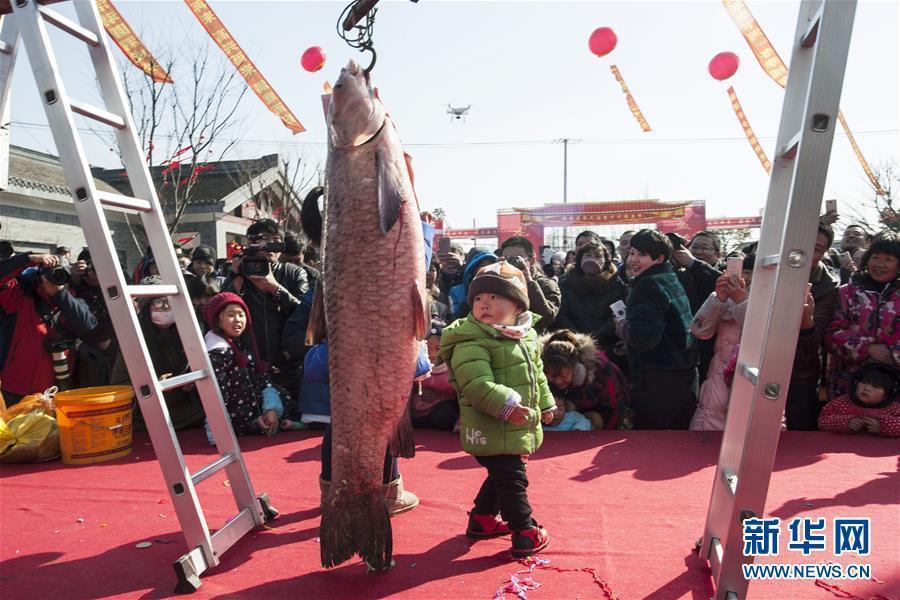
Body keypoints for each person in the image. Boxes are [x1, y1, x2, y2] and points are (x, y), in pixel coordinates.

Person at [440, 261, 555, 556]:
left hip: (513, 425)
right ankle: (524, 530)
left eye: (494, 298)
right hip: (490, 424)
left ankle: (481, 519)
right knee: (512, 478)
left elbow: (536, 374)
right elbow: (476, 383)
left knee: (501, 474)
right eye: (478, 299)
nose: (484, 304)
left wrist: (545, 403)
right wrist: (508, 404)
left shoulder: (523, 335)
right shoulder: (471, 339)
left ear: (517, 306)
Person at [224, 219, 310, 415]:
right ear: (252, 243)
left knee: (292, 417)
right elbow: (219, 312)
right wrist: (235, 278)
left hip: (288, 364)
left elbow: (304, 313)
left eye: (276, 240)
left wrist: (275, 288)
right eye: (265, 240)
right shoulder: (239, 272)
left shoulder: (294, 272)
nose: (271, 246)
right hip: (249, 363)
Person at [615, 229, 698, 429]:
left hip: (659, 378)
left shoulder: (647, 285)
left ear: (659, 258)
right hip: (683, 372)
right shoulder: (668, 276)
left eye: (641, 255)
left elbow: (644, 338)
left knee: (651, 443)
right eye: (632, 252)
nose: (633, 259)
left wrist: (621, 326)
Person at [0, 252, 97, 405]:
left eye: (61, 276)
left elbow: (86, 324)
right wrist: (29, 259)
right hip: (14, 390)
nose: (56, 280)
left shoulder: (72, 302)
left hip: (53, 393)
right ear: (39, 278)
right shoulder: (20, 297)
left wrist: (58, 293)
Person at [110, 276, 206, 431]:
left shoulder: (190, 332)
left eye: (169, 302)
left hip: (192, 413)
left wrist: (192, 381)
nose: (165, 307)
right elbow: (119, 387)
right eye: (158, 303)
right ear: (146, 306)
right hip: (149, 417)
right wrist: (155, 384)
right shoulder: (133, 339)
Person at [826, 230, 900, 400]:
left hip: (894, 389)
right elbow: (831, 334)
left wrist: (890, 353)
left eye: (888, 259)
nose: (880, 264)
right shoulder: (847, 292)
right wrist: (868, 349)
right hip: (848, 386)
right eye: (875, 257)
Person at [203, 292, 285, 436]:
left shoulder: (245, 344)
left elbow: (263, 379)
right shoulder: (217, 353)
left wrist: (271, 409)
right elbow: (220, 397)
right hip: (237, 421)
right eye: (230, 315)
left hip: (256, 414)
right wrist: (252, 420)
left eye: (241, 315)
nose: (238, 320)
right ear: (217, 320)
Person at [784, 223, 838, 430]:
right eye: (803, 244)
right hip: (760, 363)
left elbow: (815, 340)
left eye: (815, 249)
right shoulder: (771, 269)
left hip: (800, 371)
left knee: (799, 433)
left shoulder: (828, 286)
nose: (806, 253)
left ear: (824, 253)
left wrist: (806, 323)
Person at [688, 258, 752, 431]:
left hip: (753, 383)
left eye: (752, 272)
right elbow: (699, 330)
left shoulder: (774, 301)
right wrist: (719, 298)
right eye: (744, 271)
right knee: (705, 441)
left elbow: (761, 335)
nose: (747, 277)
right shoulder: (725, 298)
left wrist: (743, 302)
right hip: (718, 381)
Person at [554, 241, 629, 372]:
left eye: (598, 256)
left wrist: (594, 339)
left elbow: (618, 315)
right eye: (588, 255)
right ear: (579, 259)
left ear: (606, 261)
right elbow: (561, 314)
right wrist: (578, 339)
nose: (593, 259)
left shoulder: (616, 283)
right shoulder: (565, 282)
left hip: (608, 348)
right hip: (573, 346)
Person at [540, 329, 631, 431]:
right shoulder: (537, 367)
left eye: (563, 376)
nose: (557, 381)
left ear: (574, 368)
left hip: (596, 415)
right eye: (552, 376)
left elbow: (614, 410)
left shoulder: (599, 368)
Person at [668, 232, 721, 384]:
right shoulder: (682, 273)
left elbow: (719, 283)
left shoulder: (722, 272)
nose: (698, 251)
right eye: (694, 247)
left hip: (712, 342)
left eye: (704, 247)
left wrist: (693, 263)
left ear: (718, 254)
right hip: (685, 343)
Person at [818, 363, 900, 437]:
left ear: (886, 396)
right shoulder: (842, 402)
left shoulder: (893, 408)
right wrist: (846, 422)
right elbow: (823, 420)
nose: (866, 388)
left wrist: (882, 426)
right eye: (864, 383)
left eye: (875, 386)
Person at [499, 236, 561, 331]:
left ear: (531, 261)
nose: (511, 263)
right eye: (507, 259)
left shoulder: (546, 284)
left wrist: (529, 283)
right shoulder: (498, 281)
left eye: (517, 258)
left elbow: (547, 318)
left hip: (531, 339)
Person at [411, 320, 459, 431]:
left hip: (442, 408)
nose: (432, 354)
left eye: (438, 349)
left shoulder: (454, 366)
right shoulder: (416, 365)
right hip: (417, 409)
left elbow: (461, 393)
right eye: (428, 348)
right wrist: (417, 390)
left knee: (444, 415)